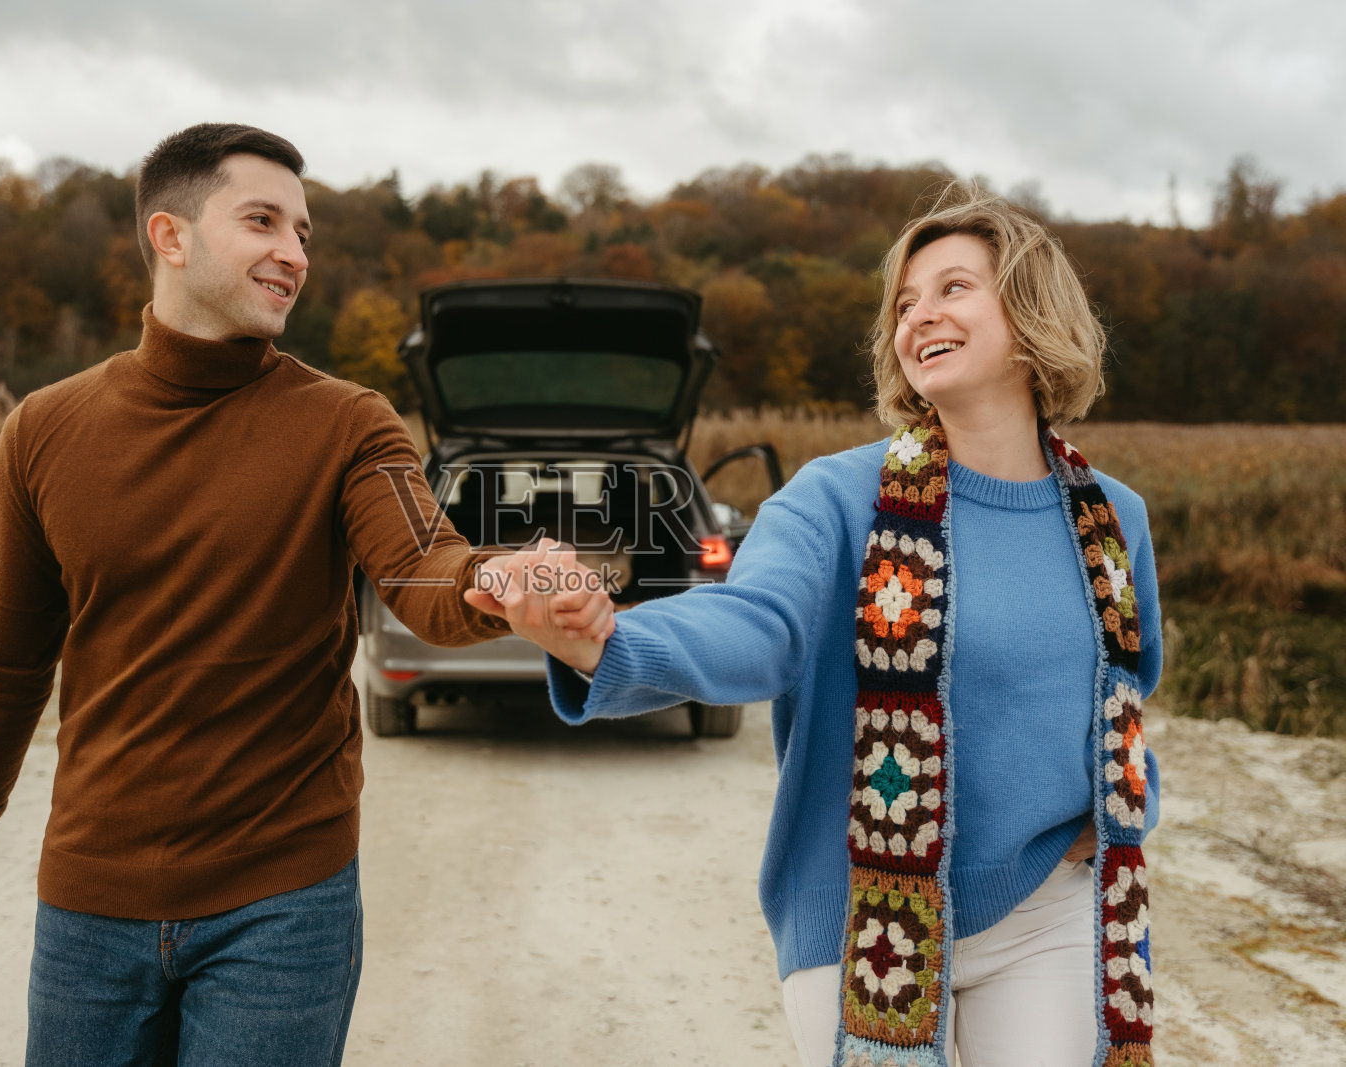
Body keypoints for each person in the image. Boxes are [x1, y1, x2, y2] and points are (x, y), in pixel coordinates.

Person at [0, 122, 612, 1066]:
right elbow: (5, 659)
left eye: (305, 233)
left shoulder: (347, 422)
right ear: (171, 236)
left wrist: (497, 578)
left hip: (284, 904)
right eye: (263, 222)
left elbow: (424, 570)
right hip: (90, 900)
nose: (294, 253)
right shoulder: (43, 429)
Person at [474, 186, 1161, 1067]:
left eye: (953, 288)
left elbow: (1125, 684)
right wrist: (606, 641)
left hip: (1049, 913)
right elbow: (755, 626)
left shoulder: (1113, 520)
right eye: (905, 303)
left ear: (1030, 317)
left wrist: (1120, 797)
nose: (920, 316)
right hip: (867, 920)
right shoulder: (839, 497)